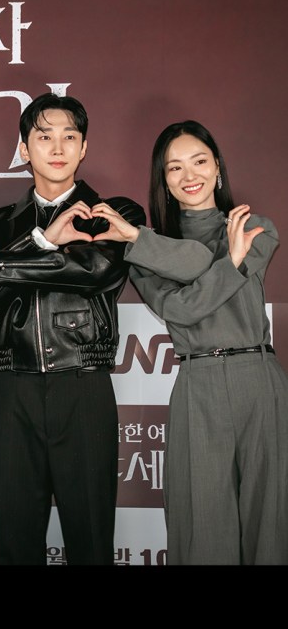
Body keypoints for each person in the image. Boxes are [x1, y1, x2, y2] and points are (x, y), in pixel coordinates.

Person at [0, 93, 145, 565]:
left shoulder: (115, 215)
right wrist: (40, 241)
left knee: (91, 539)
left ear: (84, 148)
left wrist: (3, 264)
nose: (57, 147)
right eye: (44, 137)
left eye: (69, 136)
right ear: (24, 148)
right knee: (16, 542)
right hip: (13, 390)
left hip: (83, 386)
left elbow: (93, 270)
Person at [93, 120, 288, 565]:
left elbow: (199, 269)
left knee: (271, 521)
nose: (189, 175)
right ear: (163, 181)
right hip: (198, 383)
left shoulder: (254, 227)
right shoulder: (146, 252)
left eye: (199, 161)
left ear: (217, 167)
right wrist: (228, 262)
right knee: (203, 523)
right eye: (174, 167)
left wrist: (140, 239)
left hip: (260, 379)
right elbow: (181, 311)